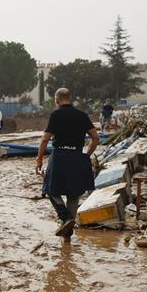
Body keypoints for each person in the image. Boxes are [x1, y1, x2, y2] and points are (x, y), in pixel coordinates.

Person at [35, 88, 99, 241]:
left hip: (59, 157)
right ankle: (67, 237)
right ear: (70, 99)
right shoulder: (82, 116)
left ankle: (65, 217)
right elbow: (95, 138)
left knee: (49, 188)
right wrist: (86, 155)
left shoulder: (55, 115)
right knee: (74, 193)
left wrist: (39, 159)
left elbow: (45, 139)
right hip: (76, 155)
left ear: (56, 100)